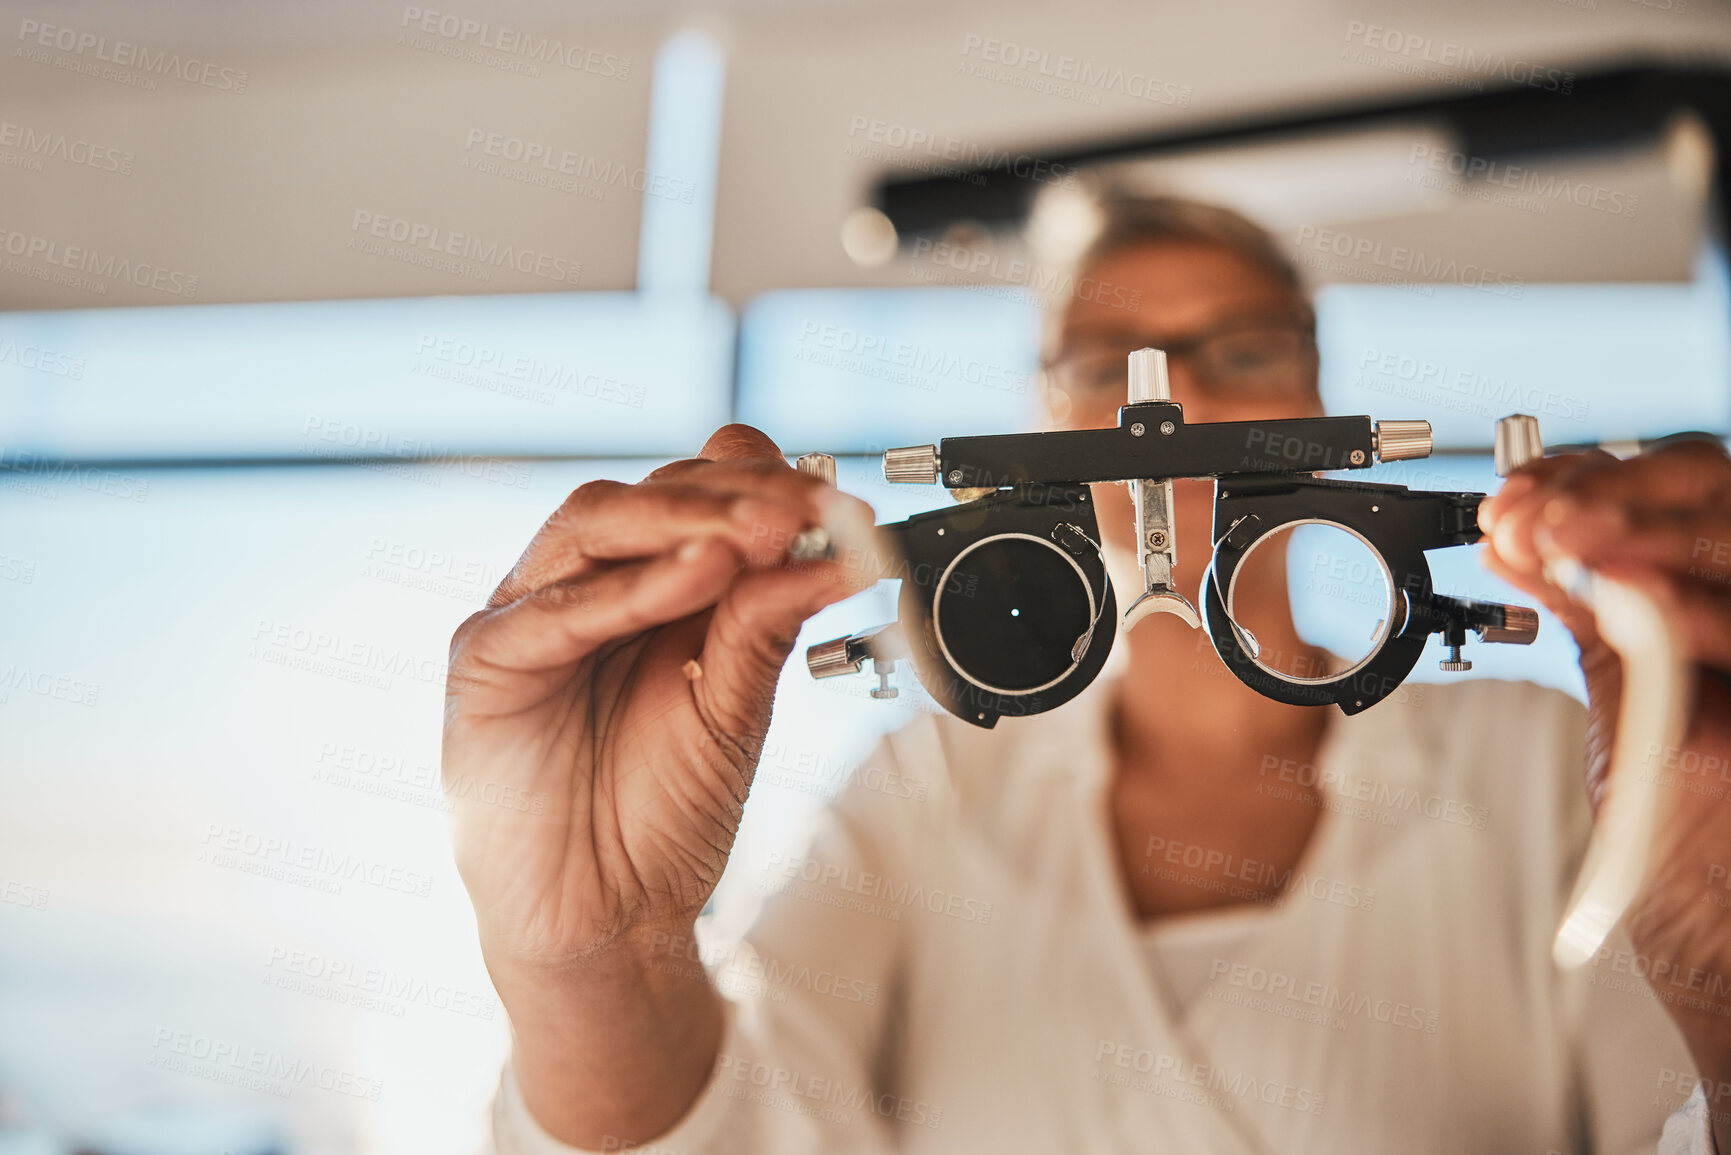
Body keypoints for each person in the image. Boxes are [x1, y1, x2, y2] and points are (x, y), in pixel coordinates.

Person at [442, 179, 1731, 1153]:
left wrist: (1727, 995)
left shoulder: (1540, 771)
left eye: (1241, 349)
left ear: (1322, 392)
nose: (1162, 410)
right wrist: (590, 962)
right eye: (1105, 368)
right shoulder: (929, 789)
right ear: (1044, 423)